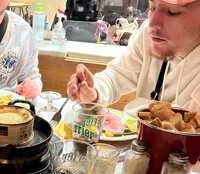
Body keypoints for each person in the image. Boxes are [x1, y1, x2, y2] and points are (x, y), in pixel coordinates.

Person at [66, 0, 200, 110]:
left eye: (172, 12)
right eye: (152, 7)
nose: (153, 23)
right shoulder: (148, 34)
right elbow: (118, 75)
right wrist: (94, 92)